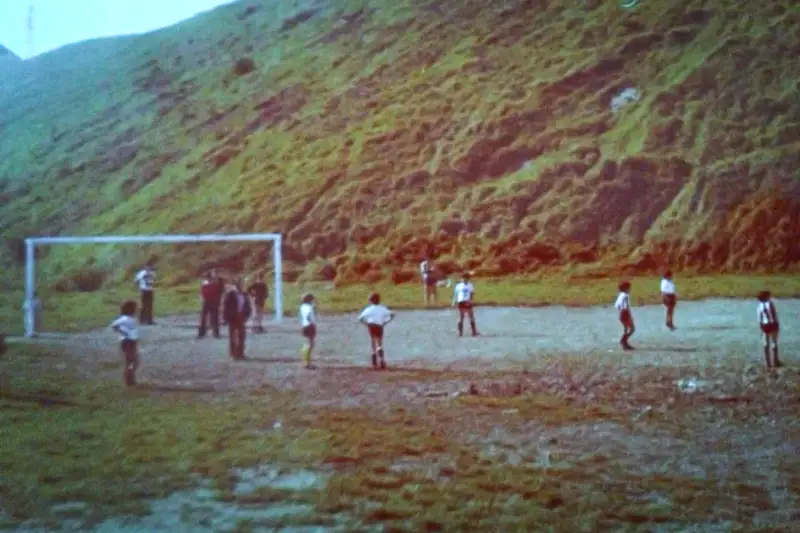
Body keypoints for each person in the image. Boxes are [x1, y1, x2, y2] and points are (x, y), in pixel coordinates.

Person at [358, 292, 396, 370]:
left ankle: (374, 362)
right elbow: (392, 315)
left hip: (371, 325)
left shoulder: (368, 309)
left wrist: (366, 324)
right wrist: (385, 322)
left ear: (371, 301)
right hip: (379, 325)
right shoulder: (382, 308)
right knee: (379, 342)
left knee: (373, 342)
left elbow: (360, 318)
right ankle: (381, 360)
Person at [110, 300, 140, 387]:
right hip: (127, 342)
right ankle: (129, 380)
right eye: (136, 308)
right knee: (132, 361)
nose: (137, 309)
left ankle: (130, 378)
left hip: (132, 342)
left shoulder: (132, 318)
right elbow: (114, 325)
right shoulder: (125, 319)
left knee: (135, 362)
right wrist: (123, 332)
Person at [223, 278, 252, 360]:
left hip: (241, 317)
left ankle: (240, 353)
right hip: (233, 317)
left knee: (242, 336)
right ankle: (233, 354)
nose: (240, 286)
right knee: (233, 336)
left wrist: (247, 315)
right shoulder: (230, 294)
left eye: (241, 284)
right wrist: (226, 318)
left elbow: (247, 306)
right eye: (238, 285)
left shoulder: (244, 294)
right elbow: (225, 306)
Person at [757, 291, 782, 369]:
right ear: (766, 297)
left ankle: (768, 363)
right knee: (774, 342)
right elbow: (774, 314)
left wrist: (761, 326)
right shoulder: (770, 303)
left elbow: (759, 318)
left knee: (765, 344)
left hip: (764, 325)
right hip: (773, 324)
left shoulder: (759, 306)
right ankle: (775, 361)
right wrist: (777, 324)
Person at [452, 272, 478, 337]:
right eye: (463, 278)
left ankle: (474, 332)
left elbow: (471, 294)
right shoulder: (458, 286)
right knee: (461, 317)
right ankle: (460, 333)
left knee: (471, 316)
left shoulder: (470, 285)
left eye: (465, 278)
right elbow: (456, 295)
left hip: (467, 301)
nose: (464, 280)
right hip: (461, 301)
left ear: (468, 279)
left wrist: (471, 301)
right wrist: (454, 302)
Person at [198, 271, 222, 338]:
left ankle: (215, 333)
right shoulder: (206, 283)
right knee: (205, 317)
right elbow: (201, 292)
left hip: (212, 301)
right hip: (208, 301)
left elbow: (219, 292)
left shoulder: (215, 282)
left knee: (213, 317)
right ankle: (204, 332)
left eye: (206, 277)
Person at [615, 281, 635, 350]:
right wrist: (630, 316)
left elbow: (617, 306)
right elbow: (626, 307)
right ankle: (623, 341)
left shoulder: (620, 295)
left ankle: (625, 342)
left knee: (626, 329)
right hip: (625, 313)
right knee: (632, 329)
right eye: (629, 288)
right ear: (626, 288)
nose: (630, 289)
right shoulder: (625, 296)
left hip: (621, 313)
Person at [299, 293, 317, 369]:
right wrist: (312, 323)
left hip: (304, 325)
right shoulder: (309, 307)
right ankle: (307, 362)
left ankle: (306, 361)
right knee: (310, 344)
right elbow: (309, 316)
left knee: (308, 344)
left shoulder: (302, 306)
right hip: (309, 326)